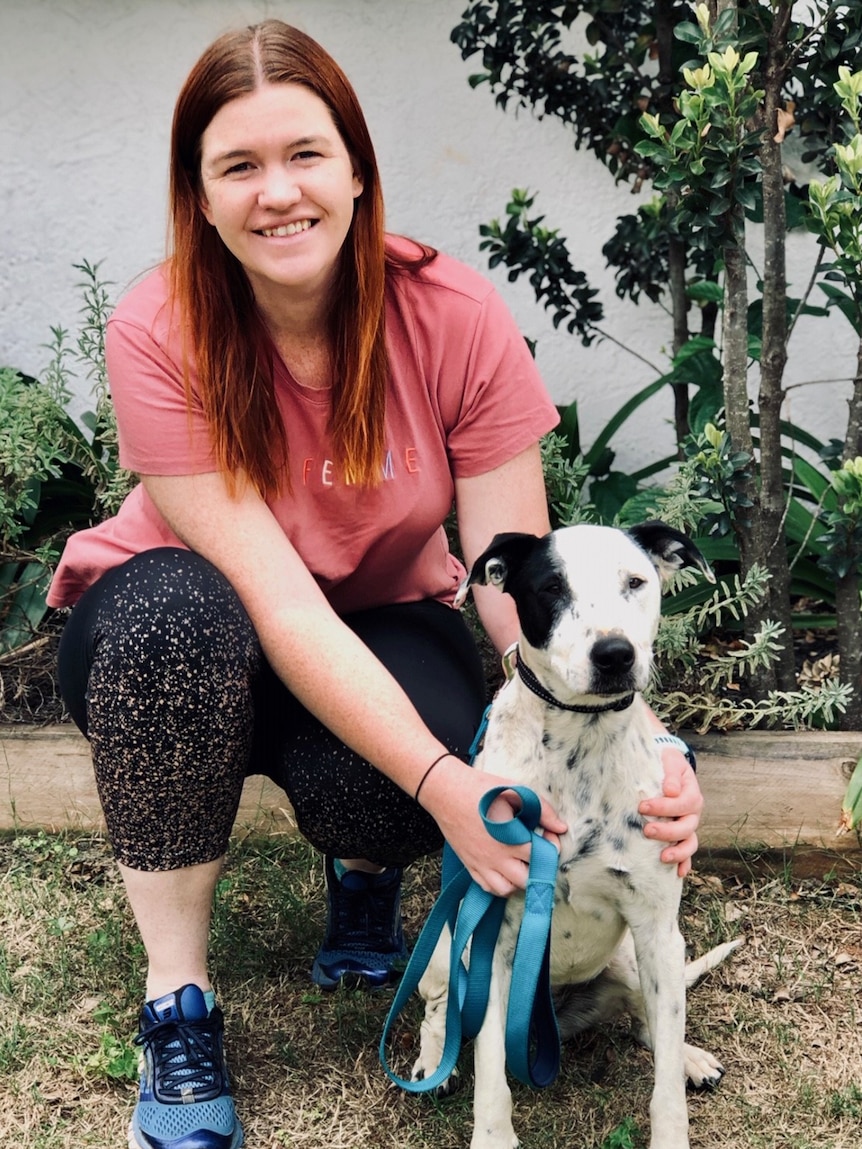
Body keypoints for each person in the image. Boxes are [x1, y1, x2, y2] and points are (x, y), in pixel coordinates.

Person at [48, 20, 704, 1149]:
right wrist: (445, 782)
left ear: (356, 169)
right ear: (198, 198)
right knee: (179, 625)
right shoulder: (159, 327)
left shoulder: (452, 315)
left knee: (460, 750)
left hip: (376, 617)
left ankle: (363, 881)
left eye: (305, 154)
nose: (278, 193)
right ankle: (178, 1003)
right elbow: (279, 602)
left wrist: (647, 741)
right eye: (238, 166)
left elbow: (523, 587)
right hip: (188, 628)